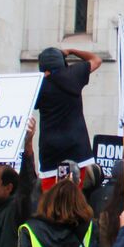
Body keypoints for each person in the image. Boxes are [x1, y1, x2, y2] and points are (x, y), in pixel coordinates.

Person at [35, 46, 104, 174]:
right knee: (76, 192)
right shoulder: (74, 74)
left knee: (52, 193)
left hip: (50, 154)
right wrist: (72, 51)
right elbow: (96, 60)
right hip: (78, 151)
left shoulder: (38, 86)